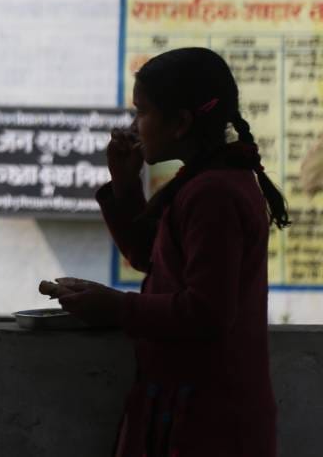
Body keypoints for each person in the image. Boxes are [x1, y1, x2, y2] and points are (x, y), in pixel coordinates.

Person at [44, 47, 284, 457]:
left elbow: (207, 312)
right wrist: (124, 184)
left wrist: (117, 307)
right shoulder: (203, 182)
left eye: (142, 112)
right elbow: (152, 257)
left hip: (209, 420)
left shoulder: (214, 194)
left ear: (181, 123)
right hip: (192, 406)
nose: (134, 127)